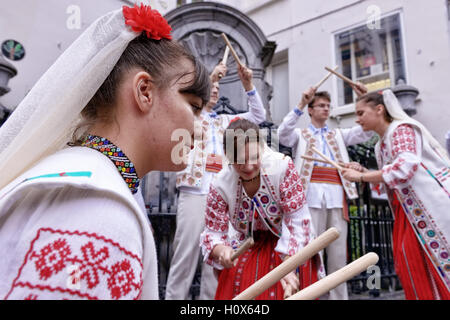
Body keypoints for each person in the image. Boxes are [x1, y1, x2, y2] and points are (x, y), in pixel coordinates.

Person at [0, 4, 211, 300]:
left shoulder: (82, 176)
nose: (200, 130)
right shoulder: (100, 211)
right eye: (194, 107)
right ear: (144, 92)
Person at [165, 61, 267, 300]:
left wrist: (248, 84)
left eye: (217, 89)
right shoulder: (188, 115)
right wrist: (210, 78)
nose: (214, 90)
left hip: (221, 195)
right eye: (209, 87)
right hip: (194, 191)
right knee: (185, 255)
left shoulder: (225, 121)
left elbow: (258, 116)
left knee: (218, 256)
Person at [341, 90, 450, 300]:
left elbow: (405, 168)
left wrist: (362, 178)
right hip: (407, 212)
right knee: (410, 266)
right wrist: (364, 172)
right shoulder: (380, 144)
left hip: (427, 209)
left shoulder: (401, 130)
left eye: (361, 112)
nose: (357, 118)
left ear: (379, 109)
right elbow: (390, 179)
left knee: (426, 265)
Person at [200, 119, 323, 300]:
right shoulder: (220, 184)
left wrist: (288, 266)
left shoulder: (282, 167)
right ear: (227, 155)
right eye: (239, 160)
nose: (248, 166)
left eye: (254, 157)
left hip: (289, 247)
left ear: (262, 147)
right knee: (235, 277)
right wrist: (222, 250)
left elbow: (299, 222)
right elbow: (213, 232)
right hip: (247, 245)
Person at [277, 83, 373, 300]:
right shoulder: (299, 135)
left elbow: (366, 132)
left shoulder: (339, 134)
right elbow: (282, 134)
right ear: (310, 110)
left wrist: (367, 98)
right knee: (313, 253)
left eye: (328, 106)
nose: (326, 109)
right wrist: (301, 103)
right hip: (309, 198)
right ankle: (314, 296)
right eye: (320, 105)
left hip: (337, 199)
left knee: (339, 256)